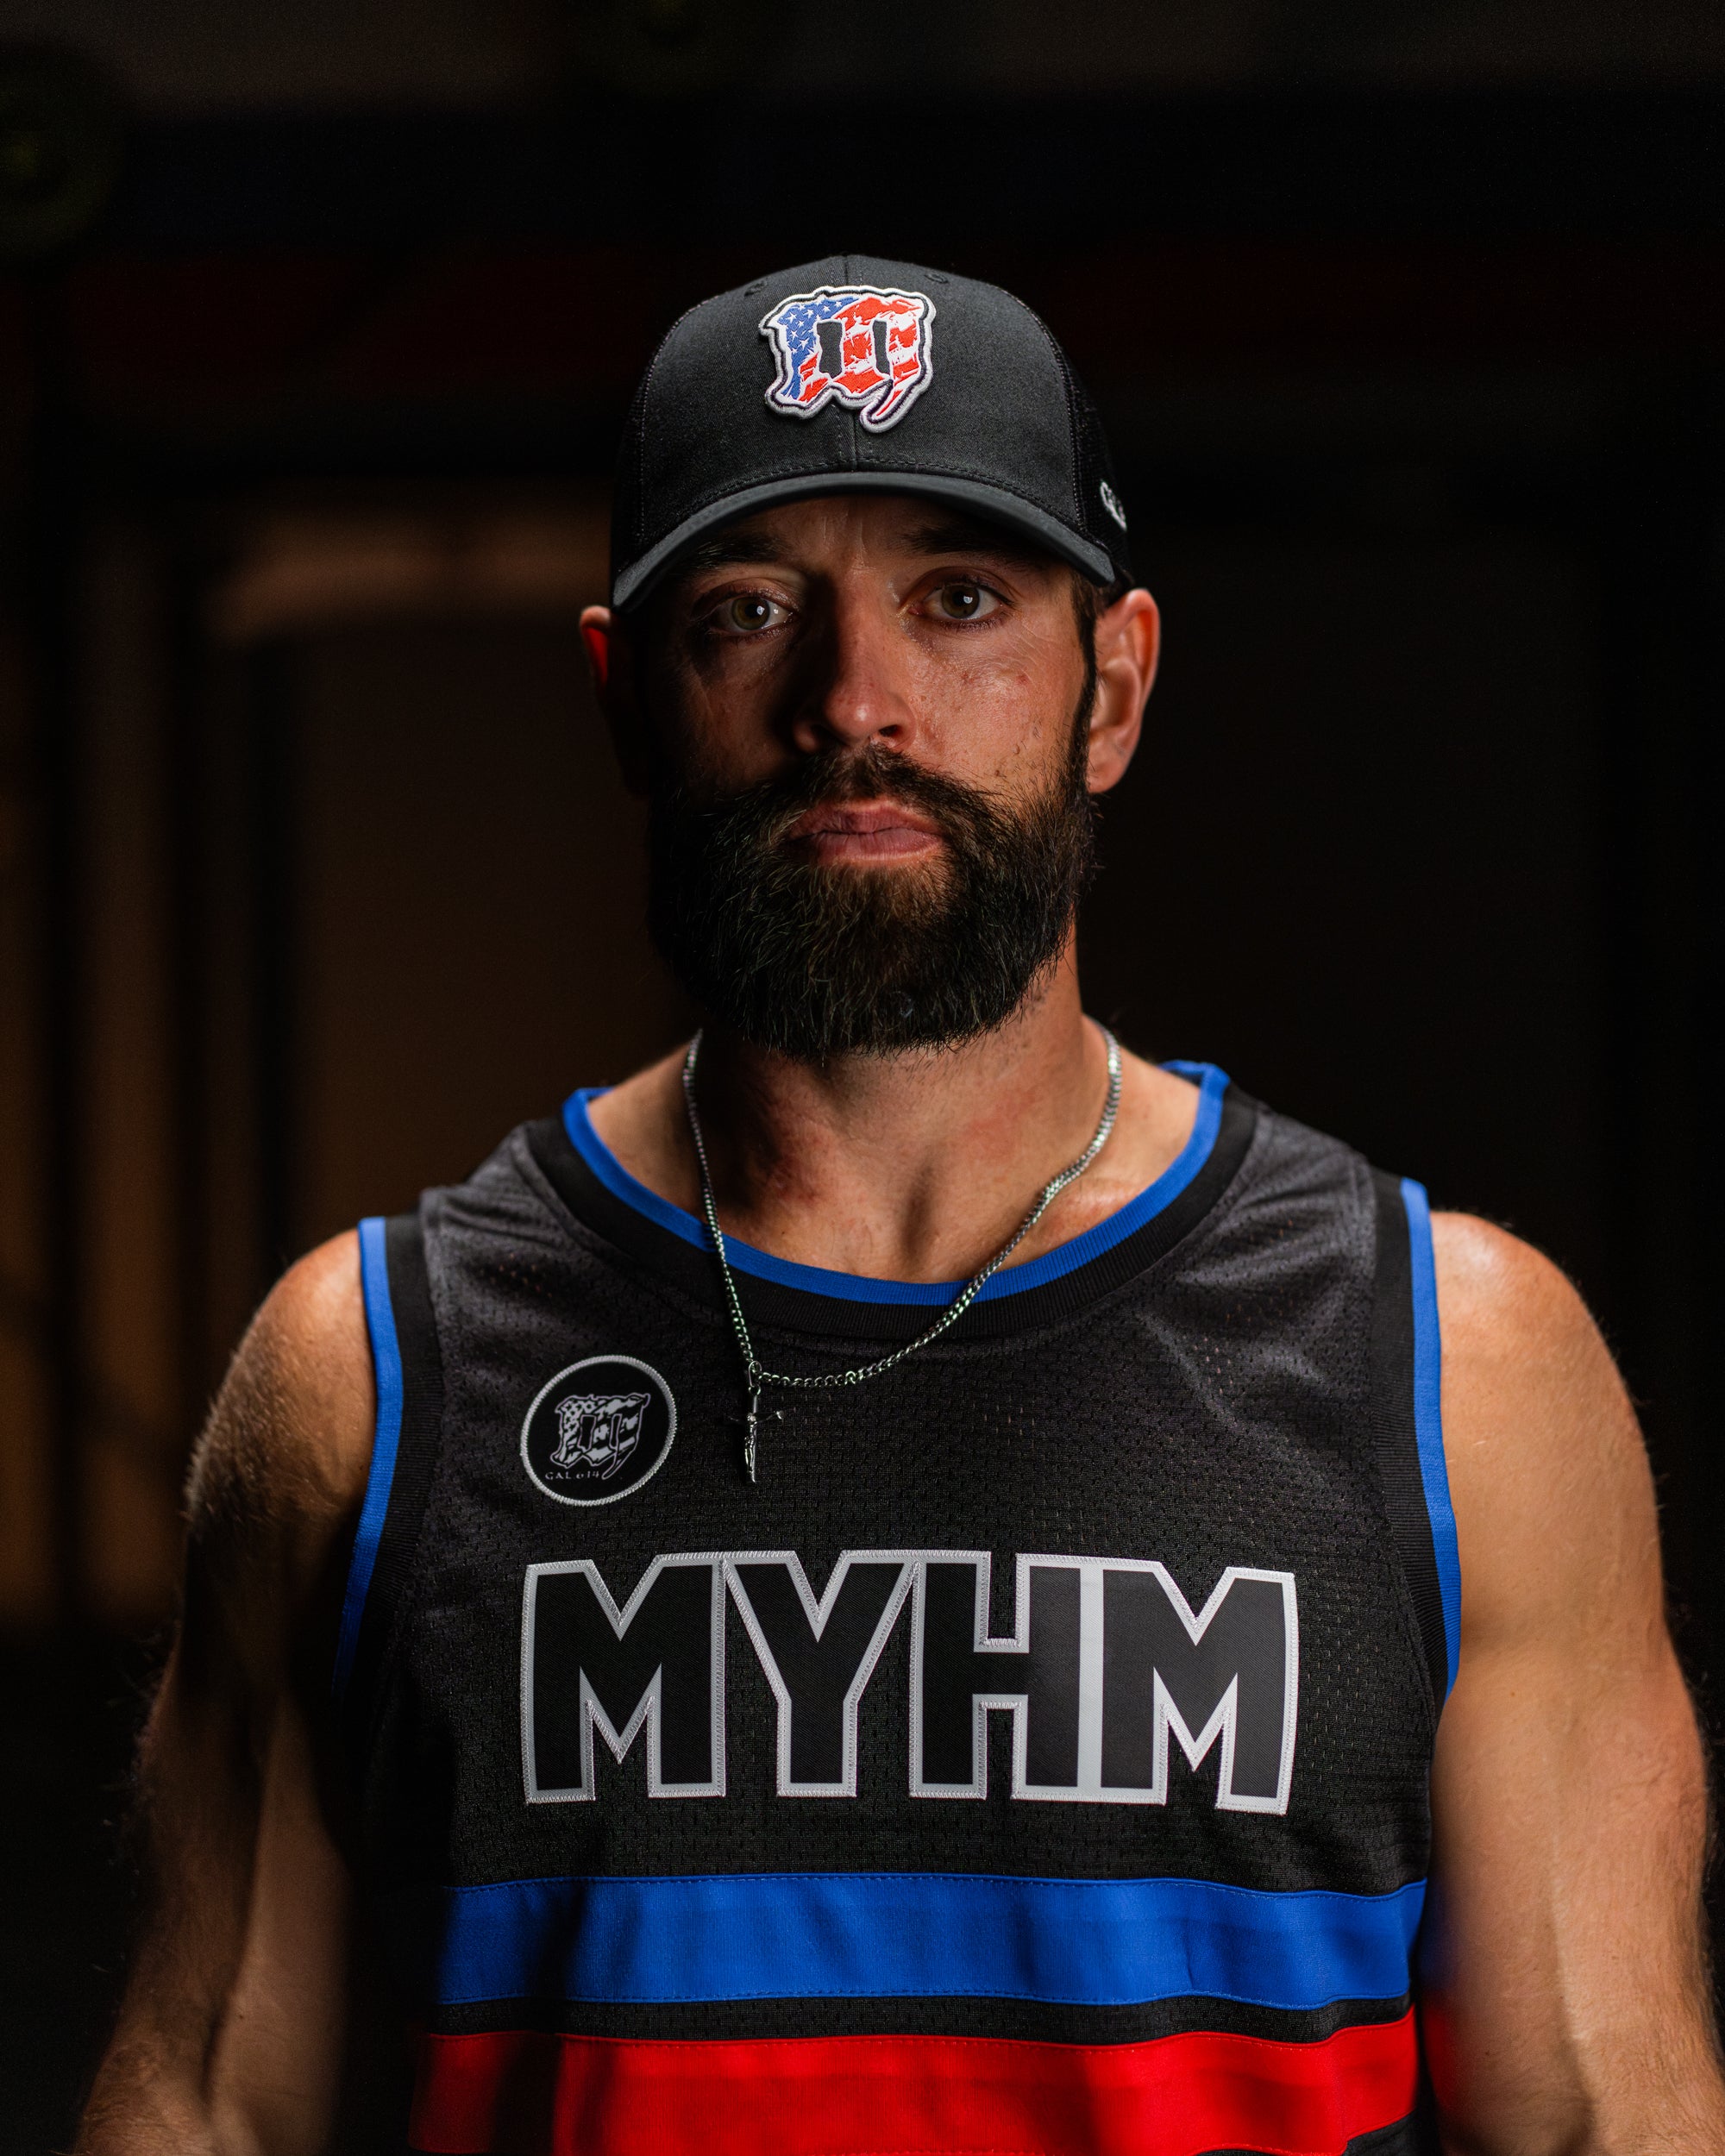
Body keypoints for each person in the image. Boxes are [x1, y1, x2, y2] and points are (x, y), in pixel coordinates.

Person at [78, 258, 1722, 2156]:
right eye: (749, 609)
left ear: (1113, 687)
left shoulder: (1455, 1370)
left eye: (961, 599)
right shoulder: (366, 1381)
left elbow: (1603, 2119)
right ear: (628, 700)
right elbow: (209, 2106)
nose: (855, 700)